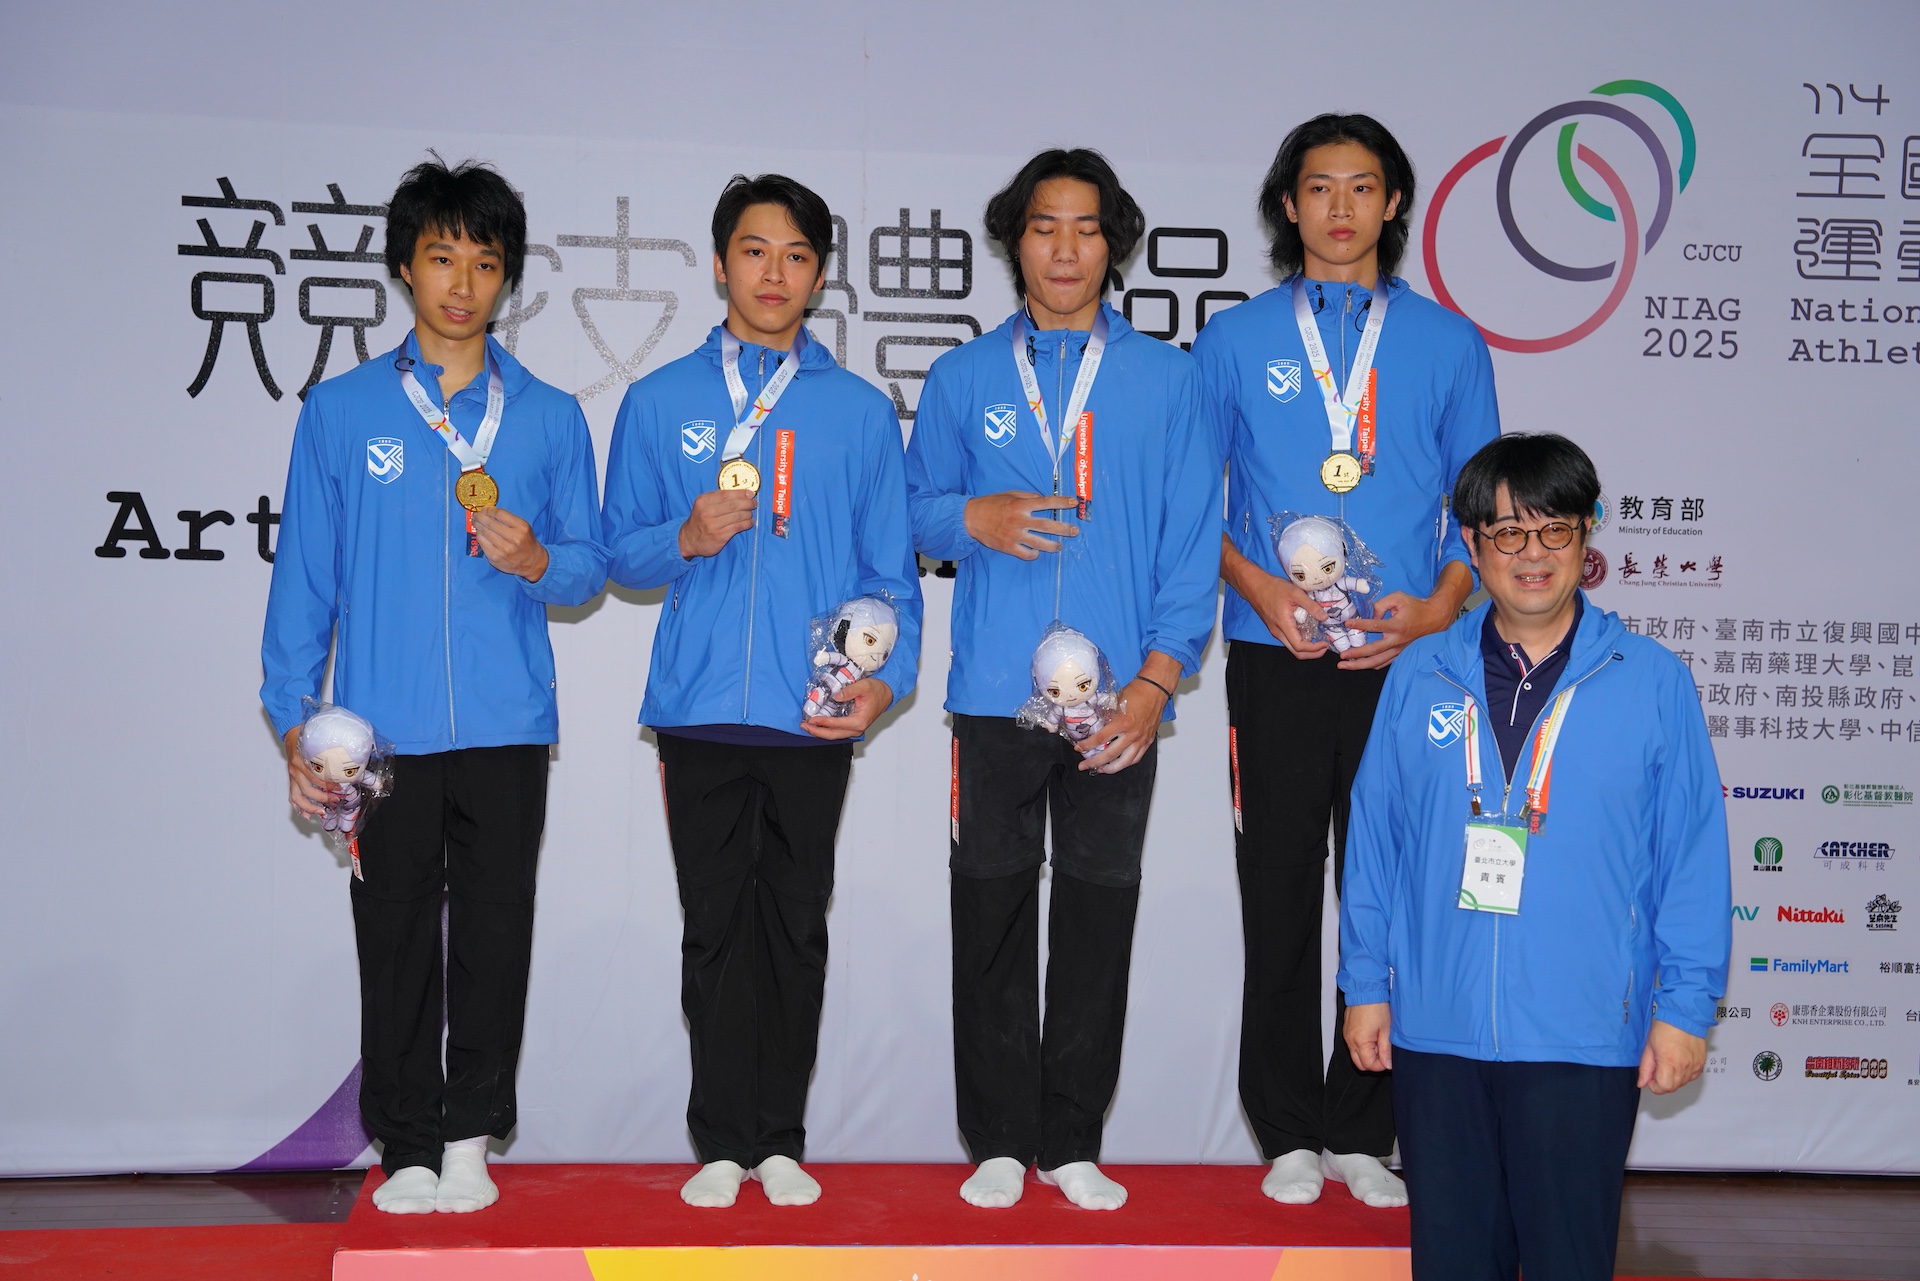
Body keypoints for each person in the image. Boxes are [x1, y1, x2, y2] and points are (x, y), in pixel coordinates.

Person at [261, 157, 609, 1215]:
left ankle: (470, 1136)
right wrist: (296, 721)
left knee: (497, 930)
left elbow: (588, 566)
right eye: (442, 257)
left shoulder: (549, 416)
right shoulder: (341, 411)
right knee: (395, 932)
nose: (463, 283)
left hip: (508, 725)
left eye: (485, 262)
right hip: (381, 735)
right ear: (405, 267)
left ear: (509, 278)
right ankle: (406, 1140)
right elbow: (305, 579)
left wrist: (537, 559)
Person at [1190, 113, 1501, 1207]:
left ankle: (1365, 1127)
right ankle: (1286, 1131)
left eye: (1362, 187)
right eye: (1319, 187)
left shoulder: (1451, 344)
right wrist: (1259, 587)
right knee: (1277, 890)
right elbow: (1192, 502)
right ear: (1289, 205)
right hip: (1273, 653)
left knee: (1396, 890)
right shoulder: (1232, 342)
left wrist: (1440, 609)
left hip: (1409, 663)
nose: (1339, 208)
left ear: (1394, 203)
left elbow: (1482, 507)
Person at [600, 173, 922, 1210]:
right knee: (712, 928)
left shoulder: (860, 413)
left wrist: (886, 681)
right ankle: (718, 1143)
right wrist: (684, 536)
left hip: (812, 709)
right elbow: (618, 553)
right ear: (718, 264)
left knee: (794, 924)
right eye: (753, 251)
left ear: (819, 275)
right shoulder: (659, 401)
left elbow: (892, 577)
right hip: (698, 710)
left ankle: (779, 1138)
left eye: (795, 255)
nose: (773, 273)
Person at [906, 149, 1218, 1212]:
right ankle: (999, 1140)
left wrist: (1157, 684)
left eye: (1087, 228)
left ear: (1114, 243)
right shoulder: (963, 378)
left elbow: (1191, 544)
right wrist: (972, 517)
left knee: (1096, 912)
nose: (1066, 248)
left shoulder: (1169, 380)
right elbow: (911, 512)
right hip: (994, 696)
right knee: (989, 910)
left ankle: (1074, 1137)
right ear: (1016, 239)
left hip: (1120, 702)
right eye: (1045, 226)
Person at [1339, 432, 1731, 1279]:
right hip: (1439, 1028)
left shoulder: (1651, 680)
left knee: (1567, 1260)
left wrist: (1685, 1006)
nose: (1533, 553)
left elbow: (1690, 855)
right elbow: (1375, 841)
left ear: (1588, 534)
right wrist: (1366, 983)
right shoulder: (1419, 674)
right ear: (1471, 542)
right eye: (1508, 532)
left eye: (1555, 528)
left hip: (1582, 1034)